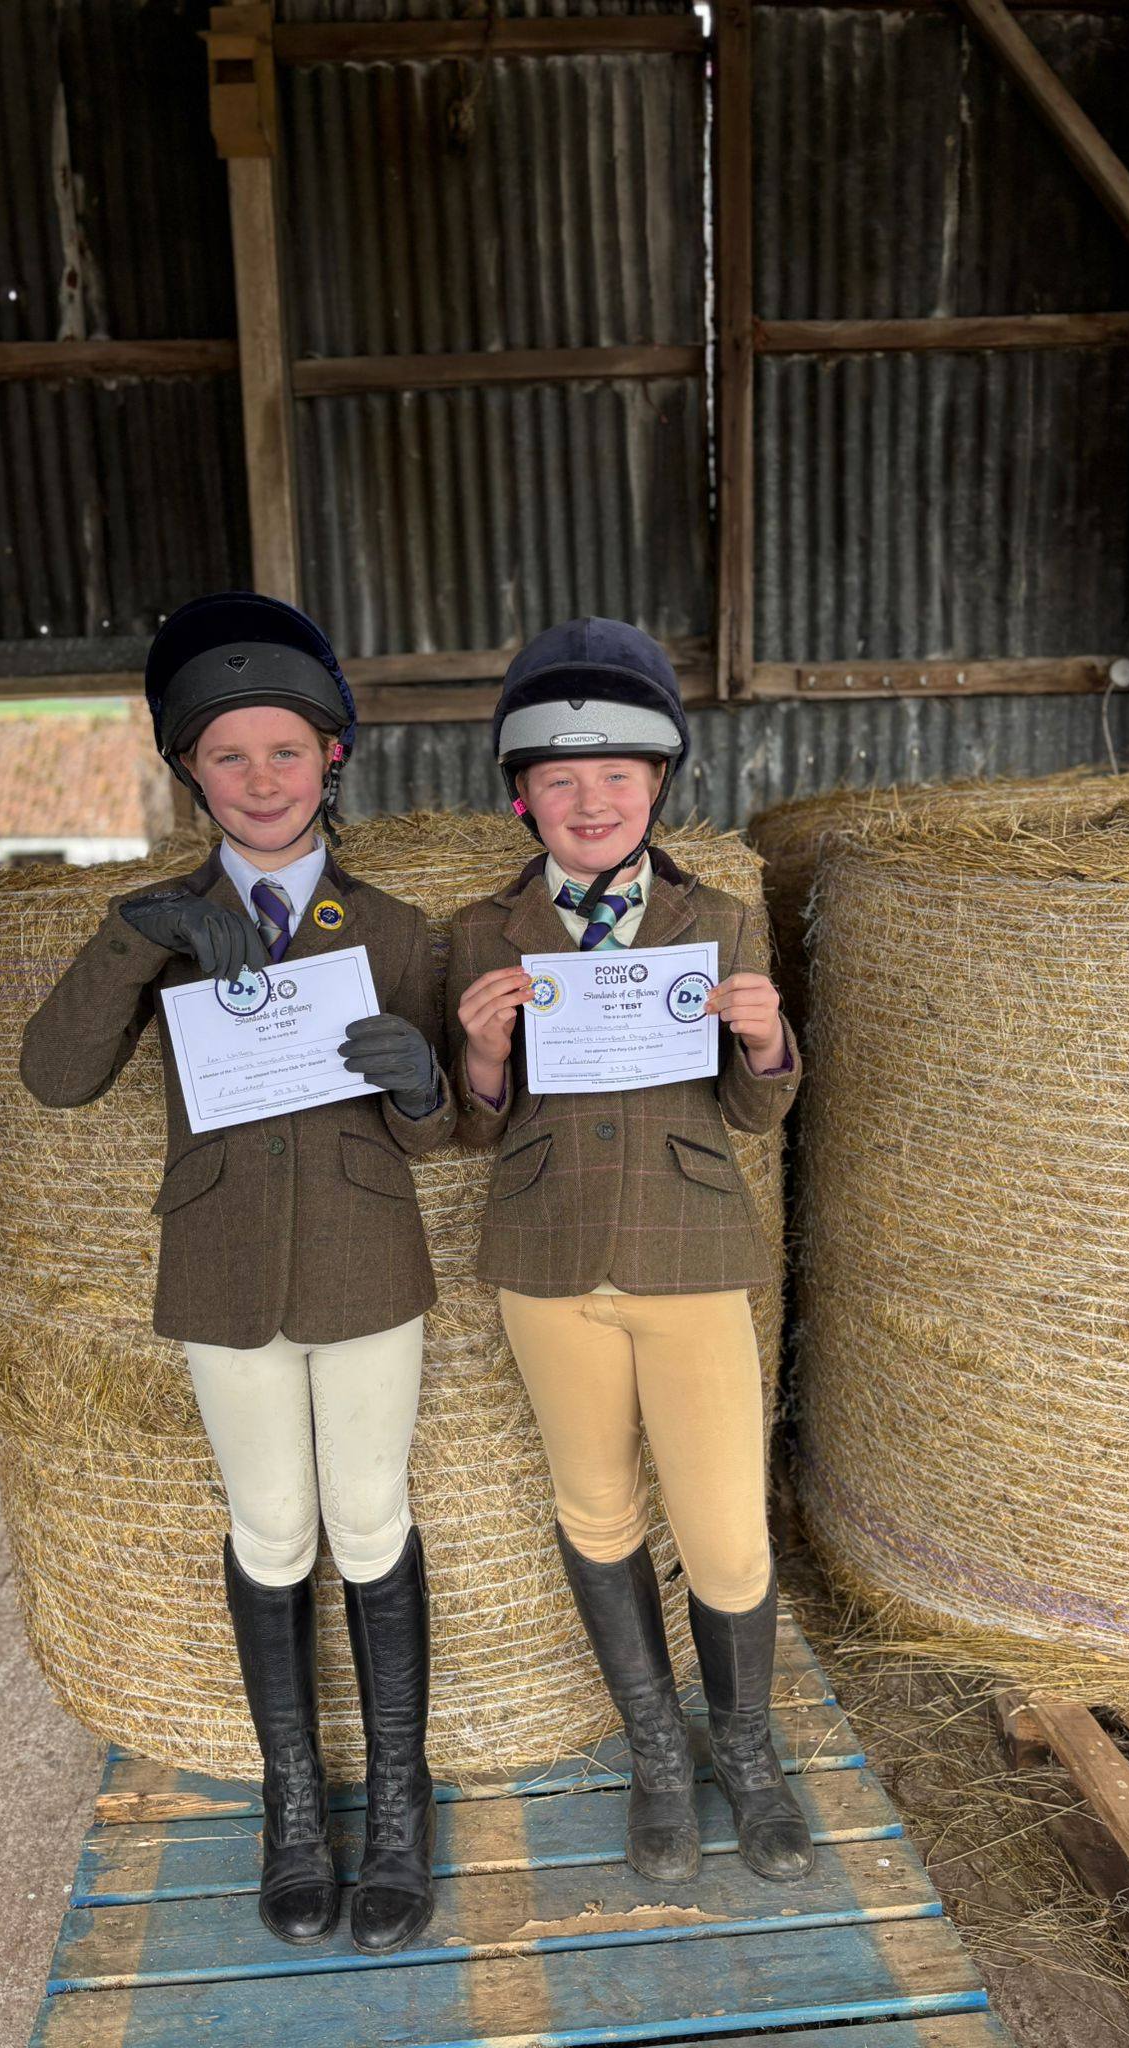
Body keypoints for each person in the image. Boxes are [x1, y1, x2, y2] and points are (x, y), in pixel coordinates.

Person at [20, 592, 453, 1955]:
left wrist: (424, 1083)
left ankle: (397, 1811)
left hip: (365, 1263)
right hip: (222, 1272)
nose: (261, 780)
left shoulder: (393, 925)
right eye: (228, 755)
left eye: (286, 751)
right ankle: (292, 1810)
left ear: (332, 758)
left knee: (368, 1520)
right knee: (271, 1527)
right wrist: (136, 933)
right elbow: (54, 1077)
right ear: (188, 770)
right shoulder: (160, 924)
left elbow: (443, 1128)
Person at [444, 617, 812, 1889]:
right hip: (548, 1257)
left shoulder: (723, 916)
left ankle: (748, 1753)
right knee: (595, 1508)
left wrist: (764, 1039)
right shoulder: (482, 930)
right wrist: (480, 1055)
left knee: (725, 1531)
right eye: (560, 778)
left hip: (689, 1250)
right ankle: (659, 1755)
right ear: (521, 794)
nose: (590, 800)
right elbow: (469, 1126)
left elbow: (757, 1109)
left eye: (616, 774)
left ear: (659, 782)